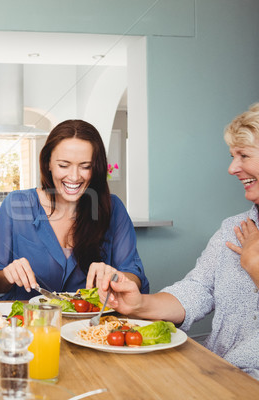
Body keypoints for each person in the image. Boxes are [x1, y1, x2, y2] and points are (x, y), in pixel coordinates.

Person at [98, 104, 259, 380]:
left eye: (243, 155)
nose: (232, 168)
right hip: (214, 371)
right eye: (232, 156)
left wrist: (255, 264)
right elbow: (197, 289)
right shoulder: (234, 228)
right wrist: (139, 305)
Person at [0, 119, 149, 300]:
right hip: (28, 324)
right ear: (48, 163)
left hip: (91, 326)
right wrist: (8, 275)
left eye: (85, 166)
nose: (74, 176)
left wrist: (116, 277)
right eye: (64, 165)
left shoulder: (113, 209)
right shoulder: (16, 204)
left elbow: (135, 277)